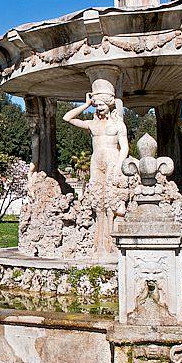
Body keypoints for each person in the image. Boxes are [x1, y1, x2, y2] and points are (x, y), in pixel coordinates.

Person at [63, 83, 129, 256]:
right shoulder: (92, 124)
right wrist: (85, 105)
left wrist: (119, 166)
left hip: (112, 159)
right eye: (97, 105)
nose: (99, 108)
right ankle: (98, 240)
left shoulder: (118, 125)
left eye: (102, 104)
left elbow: (125, 147)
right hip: (96, 160)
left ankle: (111, 241)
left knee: (111, 198)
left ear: (110, 105)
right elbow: (67, 118)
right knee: (97, 199)